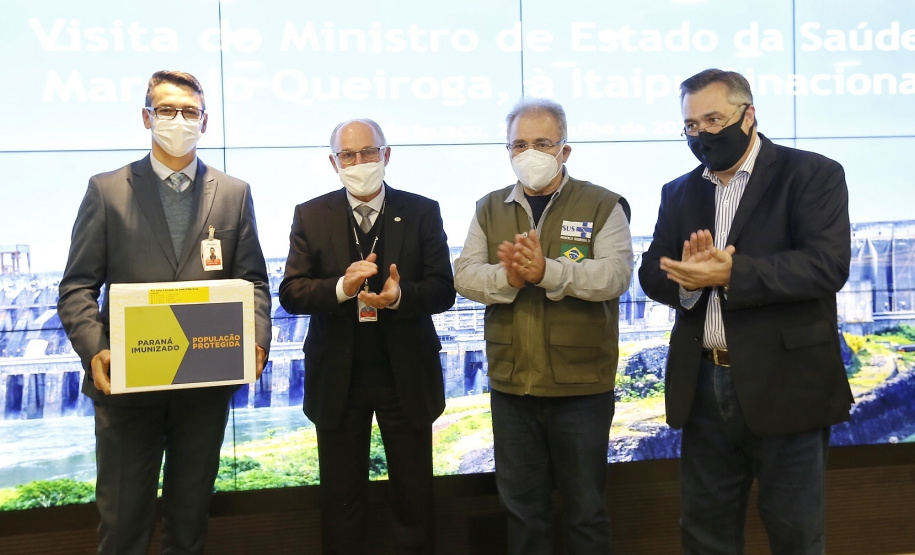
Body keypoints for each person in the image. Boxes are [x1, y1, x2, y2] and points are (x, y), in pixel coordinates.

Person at [638, 68, 853, 554]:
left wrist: (731, 275)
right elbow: (653, 272)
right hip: (703, 388)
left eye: (713, 120)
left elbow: (825, 266)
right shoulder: (679, 191)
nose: (702, 134)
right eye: (691, 126)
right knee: (704, 532)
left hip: (786, 383)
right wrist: (688, 280)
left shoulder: (812, 174)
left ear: (749, 115)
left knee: (795, 533)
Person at [57, 70, 272, 555]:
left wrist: (257, 340)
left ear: (205, 120)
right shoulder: (108, 190)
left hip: (204, 386)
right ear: (147, 117)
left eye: (190, 112)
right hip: (128, 388)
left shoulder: (234, 193)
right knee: (123, 527)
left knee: (190, 523)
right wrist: (97, 350)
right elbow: (76, 288)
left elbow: (254, 281)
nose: (179, 120)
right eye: (167, 110)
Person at [454, 98, 633, 554]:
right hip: (513, 387)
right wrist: (510, 278)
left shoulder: (602, 204)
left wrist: (546, 273)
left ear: (564, 151)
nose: (528, 152)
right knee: (522, 512)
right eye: (518, 144)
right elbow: (465, 275)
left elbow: (615, 276)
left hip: (580, 388)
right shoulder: (489, 207)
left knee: (585, 512)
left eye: (541, 143)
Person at [278, 118, 455, 555]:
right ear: (334, 162)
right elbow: (291, 293)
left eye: (369, 152)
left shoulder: (421, 210)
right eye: (348, 155)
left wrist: (399, 297)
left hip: (406, 375)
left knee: (414, 498)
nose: (360, 162)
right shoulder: (311, 214)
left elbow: (443, 289)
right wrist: (341, 288)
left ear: (386, 155)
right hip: (339, 376)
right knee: (341, 500)